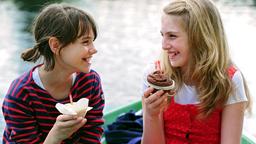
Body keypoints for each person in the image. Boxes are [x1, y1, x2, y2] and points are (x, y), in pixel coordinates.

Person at [141, 0, 252, 143]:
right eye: (163, 35)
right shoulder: (154, 75)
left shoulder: (230, 80)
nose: (163, 45)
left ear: (200, 38)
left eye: (172, 36)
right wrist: (151, 116)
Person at [2, 3, 105, 143]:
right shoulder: (21, 94)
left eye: (92, 42)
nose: (94, 49)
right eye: (86, 42)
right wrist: (55, 136)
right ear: (55, 45)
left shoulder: (90, 81)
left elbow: (92, 134)